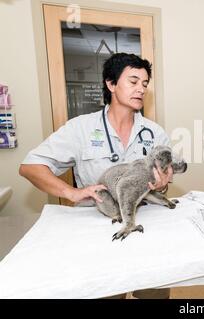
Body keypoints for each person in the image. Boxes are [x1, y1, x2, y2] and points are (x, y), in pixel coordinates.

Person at [19, 53, 172, 299]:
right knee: (106, 292)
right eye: (133, 82)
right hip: (98, 226)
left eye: (144, 84)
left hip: (146, 223)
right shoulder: (80, 129)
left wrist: (162, 185)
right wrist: (71, 192)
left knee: (154, 292)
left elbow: (162, 181)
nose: (141, 89)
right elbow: (30, 166)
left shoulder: (155, 133)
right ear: (110, 84)